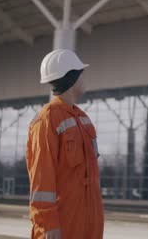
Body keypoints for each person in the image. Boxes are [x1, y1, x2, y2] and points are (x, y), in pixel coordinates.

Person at [26, 49, 104, 239]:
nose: (83, 79)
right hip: (62, 227)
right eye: (80, 74)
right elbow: (41, 182)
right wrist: (48, 225)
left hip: (90, 226)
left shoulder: (83, 119)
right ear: (72, 77)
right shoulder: (47, 120)